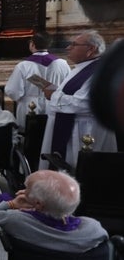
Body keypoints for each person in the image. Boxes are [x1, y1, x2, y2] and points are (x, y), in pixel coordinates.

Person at [0, 170, 107, 252]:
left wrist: (9, 204)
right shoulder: (94, 230)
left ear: (38, 204)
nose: (23, 190)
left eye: (27, 187)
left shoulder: (12, 220)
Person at [40, 30, 117, 169]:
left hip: (84, 132)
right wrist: (57, 92)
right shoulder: (81, 68)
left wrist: (54, 95)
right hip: (71, 127)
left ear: (91, 49)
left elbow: (85, 103)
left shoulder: (99, 72)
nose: (68, 47)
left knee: (81, 172)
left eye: (74, 44)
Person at [4, 31, 71, 129]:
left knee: (29, 138)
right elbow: (68, 87)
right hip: (53, 105)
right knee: (50, 137)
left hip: (29, 106)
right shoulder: (62, 64)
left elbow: (13, 91)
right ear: (49, 45)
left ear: (32, 44)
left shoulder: (23, 66)